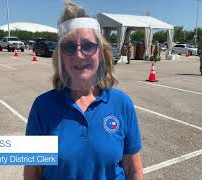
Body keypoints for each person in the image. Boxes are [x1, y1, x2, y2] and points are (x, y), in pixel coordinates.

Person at [24, 1, 143, 180]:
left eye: (88, 46)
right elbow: (34, 173)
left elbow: (133, 169)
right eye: (69, 47)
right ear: (61, 57)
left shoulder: (122, 104)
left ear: (101, 53)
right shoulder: (43, 107)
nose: (79, 54)